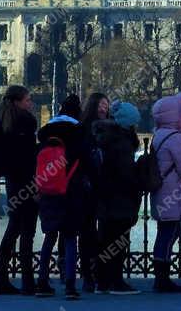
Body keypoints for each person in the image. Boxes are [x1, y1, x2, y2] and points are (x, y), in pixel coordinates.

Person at [35, 94, 89, 300]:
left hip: (49, 192)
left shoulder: (46, 133)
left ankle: (42, 282)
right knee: (69, 239)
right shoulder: (79, 131)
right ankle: (70, 285)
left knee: (49, 237)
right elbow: (86, 160)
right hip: (72, 191)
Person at [0, 85, 39, 295]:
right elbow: (28, 157)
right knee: (27, 232)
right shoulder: (25, 122)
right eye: (28, 100)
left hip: (12, 182)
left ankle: (2, 278)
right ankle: (28, 280)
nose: (30, 103)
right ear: (18, 102)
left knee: (13, 229)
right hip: (27, 181)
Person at [91, 100, 142, 295]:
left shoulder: (105, 137)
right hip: (120, 197)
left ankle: (102, 281)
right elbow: (126, 173)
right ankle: (116, 281)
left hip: (105, 196)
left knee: (105, 238)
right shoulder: (122, 142)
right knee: (120, 239)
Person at [150, 91, 181, 293]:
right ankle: (163, 279)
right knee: (170, 234)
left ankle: (160, 276)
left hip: (160, 191)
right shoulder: (176, 137)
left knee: (164, 233)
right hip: (172, 193)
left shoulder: (158, 134)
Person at [78, 91, 110, 293]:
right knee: (88, 232)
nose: (104, 108)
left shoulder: (111, 128)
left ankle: (101, 273)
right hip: (89, 186)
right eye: (101, 104)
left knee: (105, 233)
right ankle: (88, 275)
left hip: (105, 186)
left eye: (106, 104)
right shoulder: (84, 130)